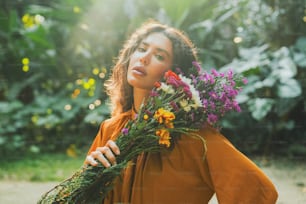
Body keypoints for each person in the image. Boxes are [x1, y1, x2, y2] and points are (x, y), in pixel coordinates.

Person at [84, 20, 278, 203]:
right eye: (141, 49)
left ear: (175, 75)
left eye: (159, 56)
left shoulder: (193, 139)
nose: (143, 58)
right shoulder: (110, 130)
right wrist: (89, 173)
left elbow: (258, 191)